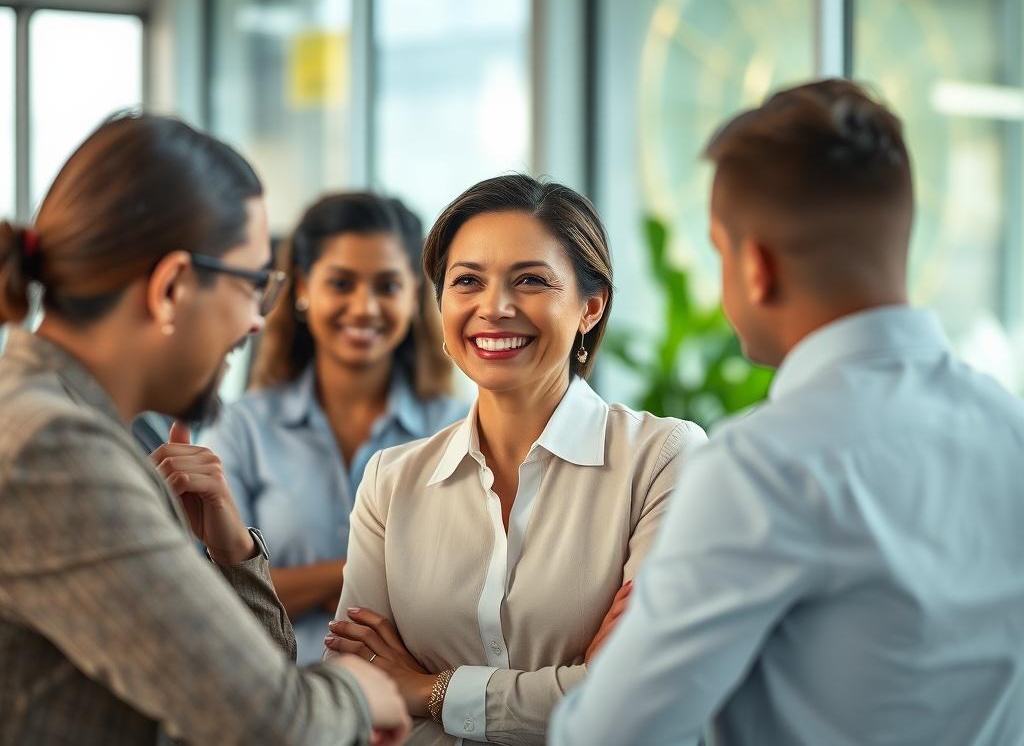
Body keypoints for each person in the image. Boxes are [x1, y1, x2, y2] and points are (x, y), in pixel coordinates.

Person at [549, 80, 1024, 745]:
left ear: (756, 268)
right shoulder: (1007, 426)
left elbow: (611, 737)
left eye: (718, 251)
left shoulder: (763, 467)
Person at [0, 112, 410, 745]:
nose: (255, 323)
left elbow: (251, 681)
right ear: (171, 288)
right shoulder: (53, 446)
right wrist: (362, 689)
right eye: (254, 285)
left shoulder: (68, 422)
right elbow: (272, 725)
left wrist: (232, 556)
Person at [323, 174, 708, 744]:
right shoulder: (391, 480)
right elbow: (360, 692)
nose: (494, 307)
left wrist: (424, 689)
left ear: (590, 308)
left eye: (530, 280)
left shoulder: (663, 460)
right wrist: (577, 686)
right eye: (467, 281)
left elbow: (642, 696)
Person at [203, 192, 467, 664]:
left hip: (416, 712)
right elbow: (213, 591)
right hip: (278, 701)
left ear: (413, 296)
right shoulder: (240, 430)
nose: (364, 307)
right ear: (303, 286)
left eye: (387, 286)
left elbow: (466, 587)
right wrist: (363, 572)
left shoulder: (458, 429)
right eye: (342, 283)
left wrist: (293, 582)